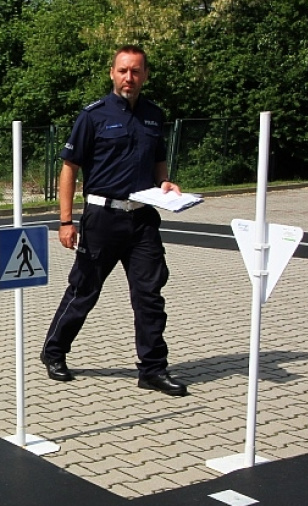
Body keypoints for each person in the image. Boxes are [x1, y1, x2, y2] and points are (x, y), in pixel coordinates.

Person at [40, 45, 188, 397]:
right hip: (102, 218)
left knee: (150, 296)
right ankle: (54, 351)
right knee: (84, 290)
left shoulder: (154, 115)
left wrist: (166, 184)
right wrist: (65, 221)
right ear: (112, 73)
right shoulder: (93, 116)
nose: (129, 78)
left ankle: (153, 369)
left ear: (145, 75)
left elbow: (158, 161)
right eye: (123, 70)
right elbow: (69, 169)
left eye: (136, 71)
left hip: (142, 219)